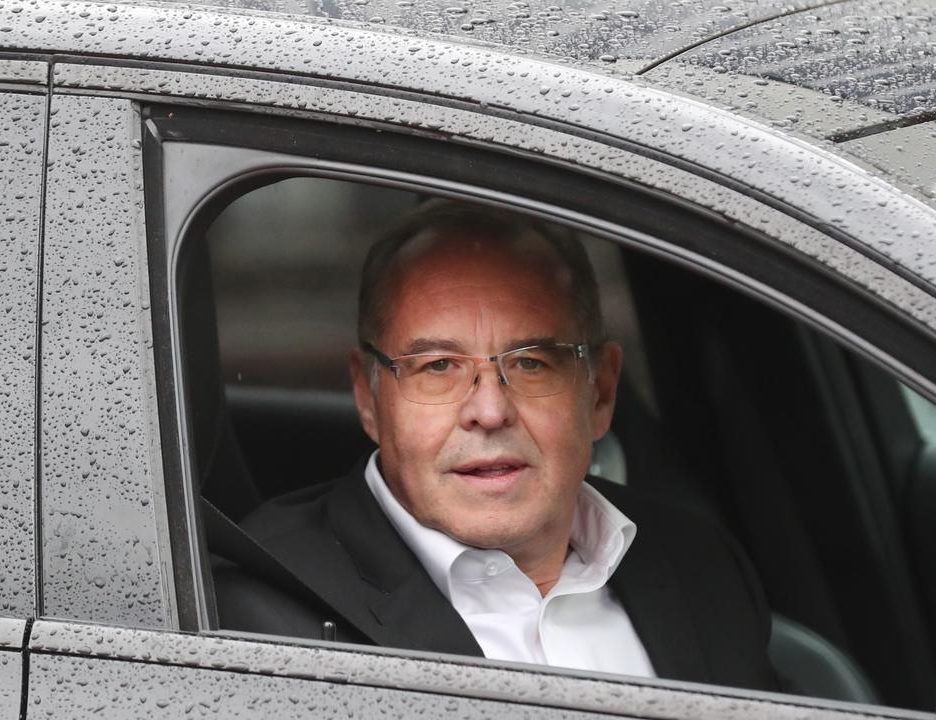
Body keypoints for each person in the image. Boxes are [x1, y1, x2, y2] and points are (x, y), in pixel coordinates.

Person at [216, 200, 775, 691]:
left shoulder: (701, 564)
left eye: (531, 363)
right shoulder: (260, 614)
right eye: (437, 366)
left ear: (601, 393)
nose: (488, 411)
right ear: (369, 396)